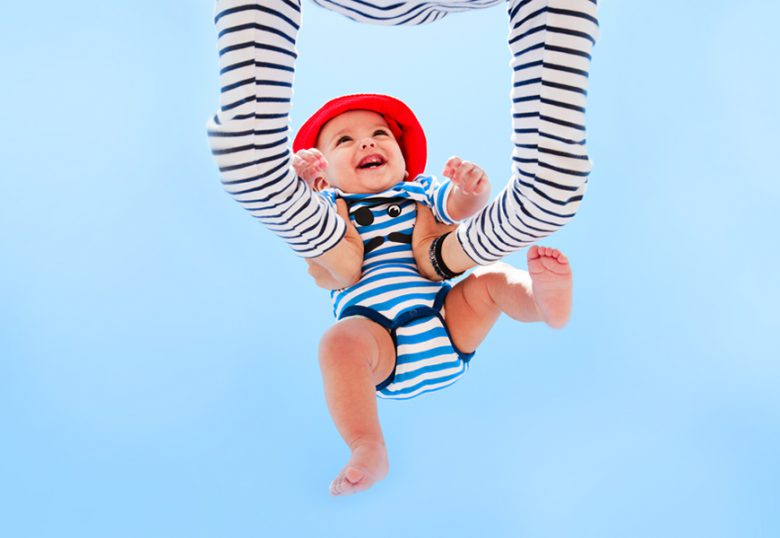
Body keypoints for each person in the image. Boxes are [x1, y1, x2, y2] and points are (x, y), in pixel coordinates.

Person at [207, 0, 598, 496]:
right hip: (377, 336)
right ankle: (367, 444)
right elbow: (302, 217)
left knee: (492, 279)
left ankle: (543, 303)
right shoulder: (330, 203)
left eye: (379, 135)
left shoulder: (419, 191)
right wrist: (304, 184)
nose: (367, 143)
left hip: (446, 315)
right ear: (326, 170)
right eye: (344, 141)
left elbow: (458, 210)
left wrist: (472, 190)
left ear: (402, 158)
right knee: (338, 344)